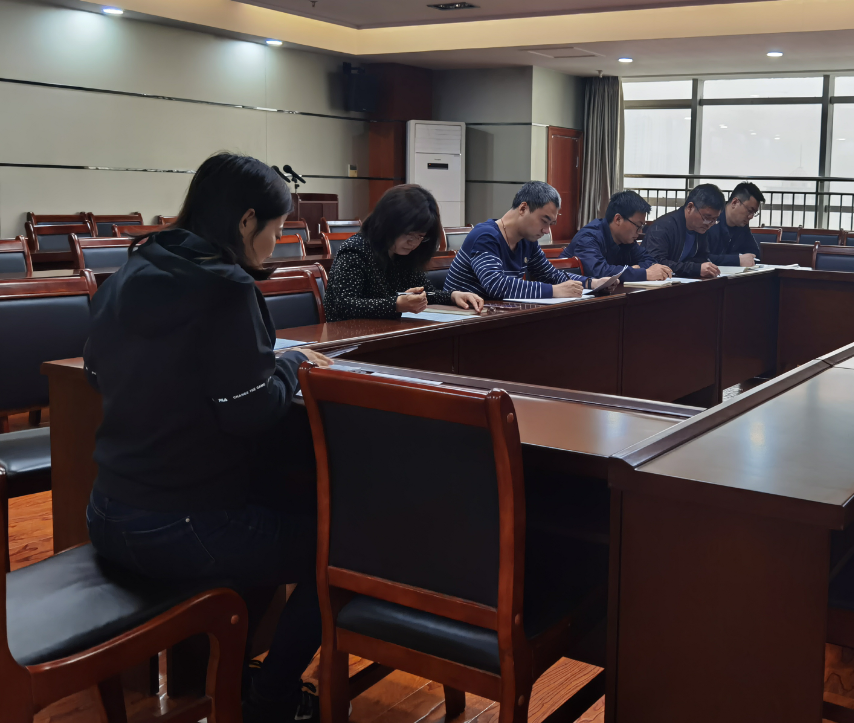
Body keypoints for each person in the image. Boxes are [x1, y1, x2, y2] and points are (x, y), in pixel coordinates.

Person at [82, 153, 333, 722]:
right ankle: (271, 700)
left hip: (107, 511)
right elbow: (249, 411)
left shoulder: (134, 267)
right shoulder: (226, 287)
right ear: (246, 221)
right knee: (338, 550)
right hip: (180, 525)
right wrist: (293, 365)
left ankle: (233, 680)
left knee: (271, 520)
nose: (277, 243)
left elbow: (95, 371)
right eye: (276, 230)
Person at [323, 184, 484, 321]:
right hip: (349, 337)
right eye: (409, 234)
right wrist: (396, 304)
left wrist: (453, 296)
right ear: (388, 224)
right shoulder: (355, 250)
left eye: (420, 236)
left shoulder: (404, 255)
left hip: (387, 331)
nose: (413, 243)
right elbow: (344, 305)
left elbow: (425, 292)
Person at [444, 181, 609, 299]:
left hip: (493, 315)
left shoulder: (527, 241)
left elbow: (550, 275)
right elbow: (496, 285)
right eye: (544, 221)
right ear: (523, 208)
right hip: (460, 319)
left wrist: (592, 283)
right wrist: (554, 291)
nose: (546, 231)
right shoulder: (485, 236)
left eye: (551, 224)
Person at [560, 190, 673, 282]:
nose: (639, 232)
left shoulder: (626, 241)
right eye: (638, 226)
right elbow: (599, 272)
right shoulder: (589, 237)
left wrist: (636, 269)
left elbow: (650, 260)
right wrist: (643, 273)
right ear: (618, 219)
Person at [642, 184, 724, 279]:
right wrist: (695, 269)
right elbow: (655, 263)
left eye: (714, 219)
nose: (710, 224)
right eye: (707, 217)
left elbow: (702, 257)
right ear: (690, 207)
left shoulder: (700, 228)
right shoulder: (663, 227)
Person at [710, 182, 764, 267]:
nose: (751, 217)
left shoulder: (742, 225)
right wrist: (736, 260)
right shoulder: (711, 219)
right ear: (734, 202)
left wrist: (736, 258)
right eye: (750, 211)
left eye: (754, 213)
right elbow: (702, 258)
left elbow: (754, 254)